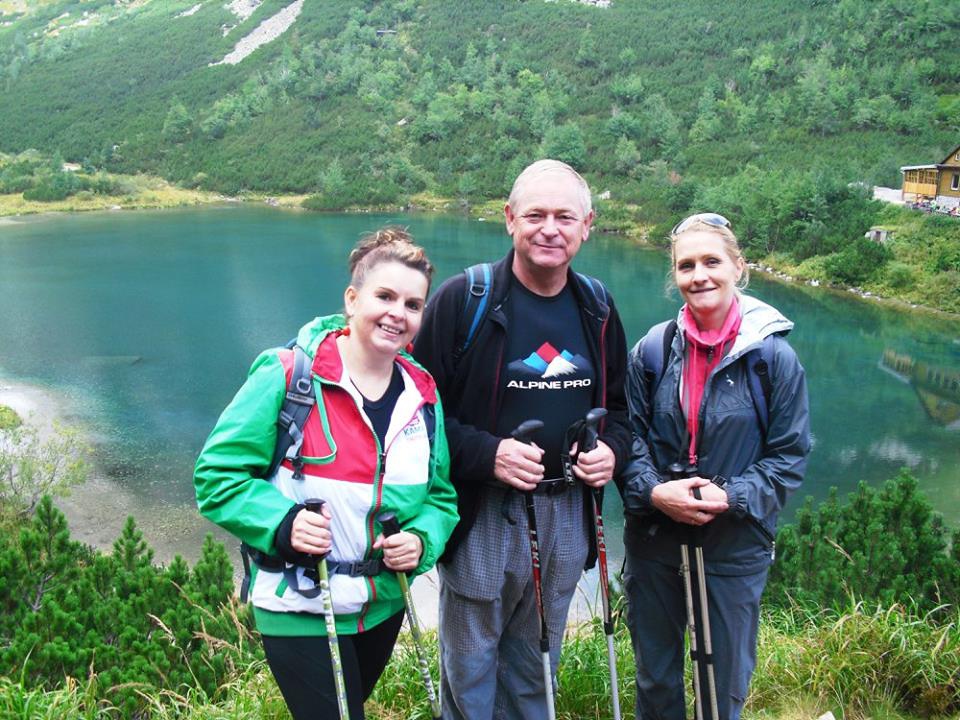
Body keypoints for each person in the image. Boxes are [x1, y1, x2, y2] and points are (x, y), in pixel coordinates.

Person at [194, 227, 458, 720]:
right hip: (300, 604)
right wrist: (282, 523)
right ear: (352, 299)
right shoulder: (289, 375)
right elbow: (216, 476)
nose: (397, 314)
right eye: (384, 296)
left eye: (413, 304)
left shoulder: (422, 395)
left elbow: (440, 497)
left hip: (381, 606)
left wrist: (421, 541)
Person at [413, 159, 632, 719]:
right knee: (470, 671)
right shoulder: (465, 299)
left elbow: (622, 411)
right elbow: (416, 419)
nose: (549, 229)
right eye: (535, 215)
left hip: (567, 512)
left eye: (565, 217)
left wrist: (611, 452)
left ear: (587, 225)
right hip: (484, 514)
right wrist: (488, 455)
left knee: (537, 668)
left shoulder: (597, 307)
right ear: (510, 219)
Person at [618, 212, 811, 720]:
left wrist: (732, 495)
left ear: (738, 267)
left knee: (723, 686)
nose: (699, 275)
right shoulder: (652, 352)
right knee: (656, 681)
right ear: (675, 275)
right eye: (686, 266)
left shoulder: (773, 360)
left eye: (712, 262)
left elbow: (789, 456)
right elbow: (627, 440)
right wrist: (654, 491)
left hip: (734, 545)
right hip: (655, 543)